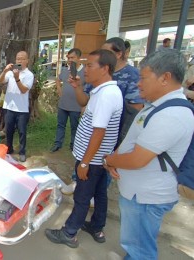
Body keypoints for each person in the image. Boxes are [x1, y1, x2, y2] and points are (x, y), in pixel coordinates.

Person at [104, 50, 194, 260]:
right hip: (140, 193)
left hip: (147, 196)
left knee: (141, 248)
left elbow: (137, 159)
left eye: (144, 78)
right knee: (136, 242)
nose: (138, 83)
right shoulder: (158, 105)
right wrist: (115, 158)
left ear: (165, 78)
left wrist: (108, 160)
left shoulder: (171, 115)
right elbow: (132, 142)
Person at [45, 49, 123, 248]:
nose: (85, 69)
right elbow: (84, 103)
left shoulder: (107, 95)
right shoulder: (101, 90)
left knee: (82, 197)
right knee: (100, 194)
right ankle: (97, 227)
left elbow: (99, 132)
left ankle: (69, 233)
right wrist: (78, 87)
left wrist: (85, 162)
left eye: (89, 65)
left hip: (93, 159)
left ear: (105, 68)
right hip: (98, 159)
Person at [62, 37, 144, 194]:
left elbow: (135, 109)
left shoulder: (132, 75)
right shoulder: (95, 73)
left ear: (118, 54)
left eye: (106, 51)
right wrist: (78, 88)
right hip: (93, 131)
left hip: (114, 132)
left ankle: (91, 191)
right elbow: (84, 101)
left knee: (100, 168)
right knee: (86, 161)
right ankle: (81, 181)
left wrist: (122, 138)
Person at [0, 51, 34, 162]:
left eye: (22, 59)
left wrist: (17, 78)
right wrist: (4, 71)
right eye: (18, 58)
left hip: (22, 109)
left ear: (27, 61)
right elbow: (0, 81)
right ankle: (9, 149)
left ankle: (22, 152)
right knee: (9, 130)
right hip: (9, 107)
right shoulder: (10, 72)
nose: (19, 61)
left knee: (22, 131)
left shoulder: (29, 75)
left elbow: (23, 90)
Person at [50, 48, 85, 152]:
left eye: (72, 57)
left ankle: (73, 145)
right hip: (63, 104)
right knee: (61, 125)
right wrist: (59, 90)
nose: (69, 60)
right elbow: (58, 79)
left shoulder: (85, 72)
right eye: (68, 57)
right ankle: (58, 143)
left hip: (76, 105)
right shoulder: (66, 70)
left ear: (79, 58)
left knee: (75, 127)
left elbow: (89, 89)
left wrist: (84, 105)